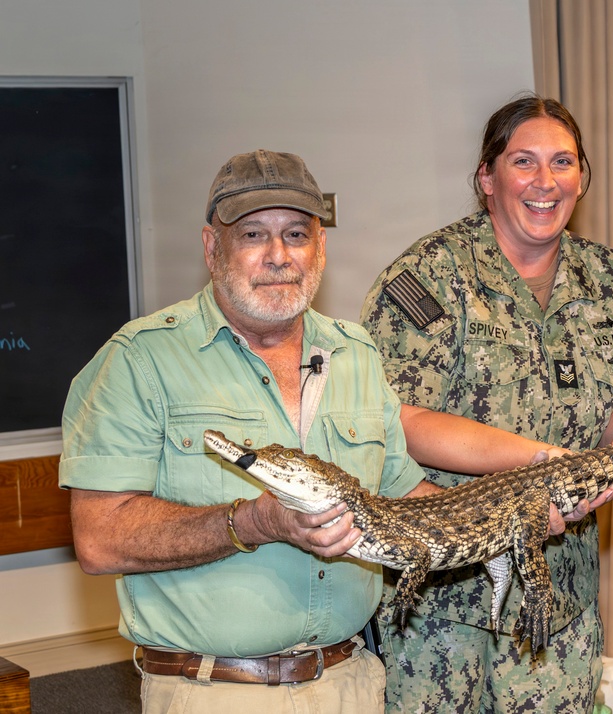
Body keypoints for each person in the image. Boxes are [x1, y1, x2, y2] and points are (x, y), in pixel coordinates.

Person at [361, 94, 613, 713]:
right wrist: (543, 464)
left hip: (556, 598)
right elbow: (395, 422)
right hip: (441, 607)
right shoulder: (430, 276)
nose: (544, 182)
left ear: (582, 177)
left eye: (562, 163)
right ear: (487, 178)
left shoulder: (608, 279)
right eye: (523, 162)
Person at [59, 149, 442, 713]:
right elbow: (99, 537)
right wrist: (254, 521)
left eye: (296, 234)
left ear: (321, 248)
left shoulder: (356, 354)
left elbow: (404, 499)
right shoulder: (140, 360)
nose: (278, 256)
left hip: (351, 683)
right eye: (253, 235)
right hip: (215, 692)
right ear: (213, 248)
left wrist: (514, 511)